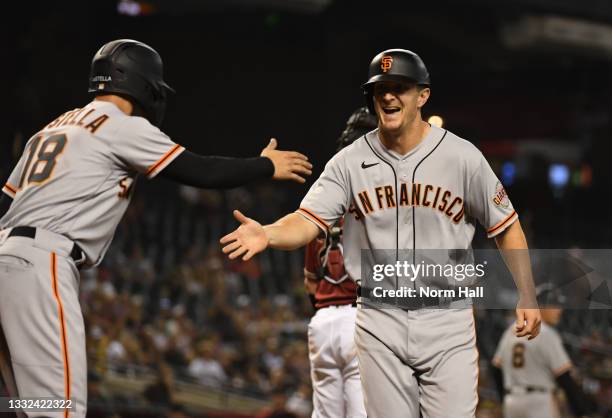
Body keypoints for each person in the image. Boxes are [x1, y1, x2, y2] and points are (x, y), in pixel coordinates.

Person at [0, 38, 312, 418]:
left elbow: (5, 202)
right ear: (144, 86)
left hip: (7, 254)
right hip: (42, 263)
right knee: (58, 409)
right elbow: (200, 170)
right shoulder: (121, 126)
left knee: (25, 405)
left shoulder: (49, 130)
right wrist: (265, 166)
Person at [221, 48, 541, 417]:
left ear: (423, 96)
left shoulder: (462, 157)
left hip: (447, 318)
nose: (388, 95)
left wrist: (527, 294)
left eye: (399, 87)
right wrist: (269, 233)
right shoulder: (349, 162)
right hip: (378, 316)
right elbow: (307, 219)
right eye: (380, 89)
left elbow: (506, 226)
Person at [303, 107, 375, 418]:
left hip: (322, 322)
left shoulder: (322, 200)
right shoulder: (378, 200)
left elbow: (310, 281)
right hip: (360, 316)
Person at [491, 285, 595, 418]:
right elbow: (564, 377)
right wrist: (581, 412)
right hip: (539, 402)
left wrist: (504, 399)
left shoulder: (511, 331)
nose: (559, 310)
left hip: (512, 402)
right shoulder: (545, 333)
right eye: (554, 305)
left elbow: (496, 370)